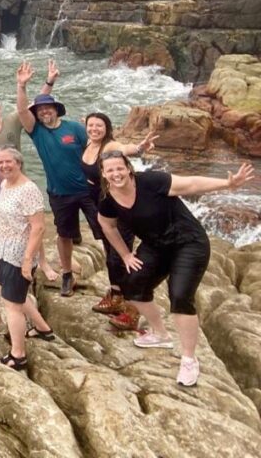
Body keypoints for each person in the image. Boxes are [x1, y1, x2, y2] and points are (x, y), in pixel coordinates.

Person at [97, 152, 255, 387]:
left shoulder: (152, 182)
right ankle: (160, 334)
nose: (116, 174)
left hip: (188, 242)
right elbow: (107, 225)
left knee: (180, 297)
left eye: (119, 168)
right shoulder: (108, 200)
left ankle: (189, 359)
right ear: (103, 174)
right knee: (131, 284)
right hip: (156, 246)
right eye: (110, 170)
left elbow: (190, 183)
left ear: (129, 168)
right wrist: (125, 254)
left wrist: (227, 184)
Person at [16, 59, 97, 297]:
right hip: (60, 194)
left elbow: (93, 151)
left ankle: (118, 276)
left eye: (47, 109)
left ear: (56, 109)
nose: (44, 112)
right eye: (40, 111)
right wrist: (21, 86)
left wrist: (99, 178)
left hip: (87, 191)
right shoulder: (37, 132)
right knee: (64, 234)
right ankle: (67, 273)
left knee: (104, 229)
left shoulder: (75, 129)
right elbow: (22, 111)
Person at [81, 112, 157, 329]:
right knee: (109, 252)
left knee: (122, 256)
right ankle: (116, 296)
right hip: (100, 206)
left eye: (99, 126)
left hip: (118, 207)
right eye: (91, 125)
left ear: (107, 128)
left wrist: (140, 148)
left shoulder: (109, 146)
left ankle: (132, 308)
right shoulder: (88, 144)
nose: (95, 129)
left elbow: (124, 150)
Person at [0, 146, 56, 370]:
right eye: (0, 163)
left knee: (12, 305)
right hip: (5, 248)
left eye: (8, 162)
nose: (4, 166)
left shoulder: (28, 190)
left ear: (19, 163)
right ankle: (42, 328)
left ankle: (18, 355)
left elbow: (38, 228)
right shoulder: (5, 184)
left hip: (20, 253)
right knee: (11, 293)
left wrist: (29, 260)